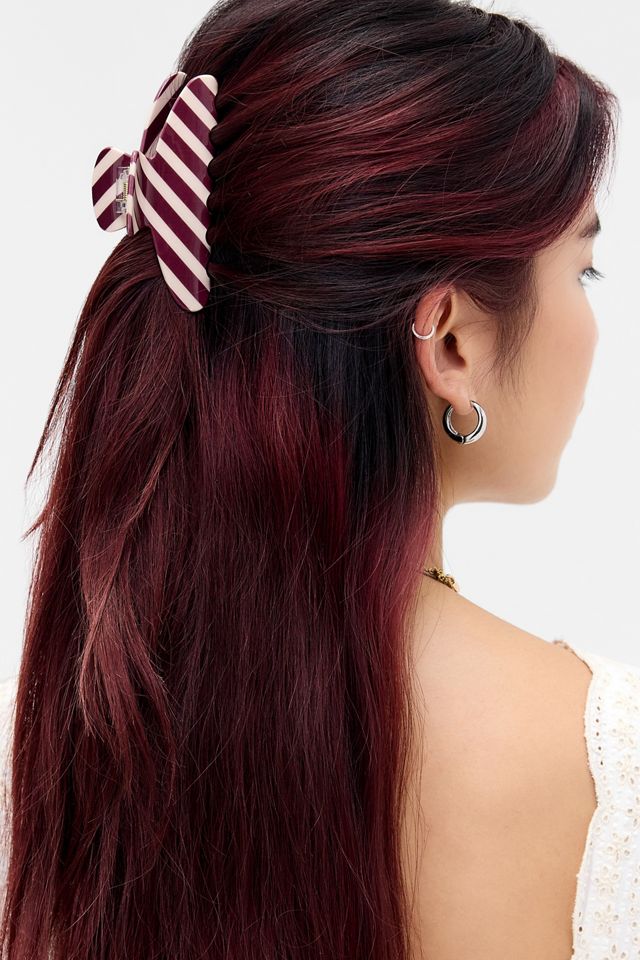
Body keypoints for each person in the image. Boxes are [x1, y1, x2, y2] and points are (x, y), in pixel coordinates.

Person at [1, 0, 636, 957]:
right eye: (582, 270)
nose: (592, 328)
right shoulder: (602, 761)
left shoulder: (73, 723)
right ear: (450, 341)